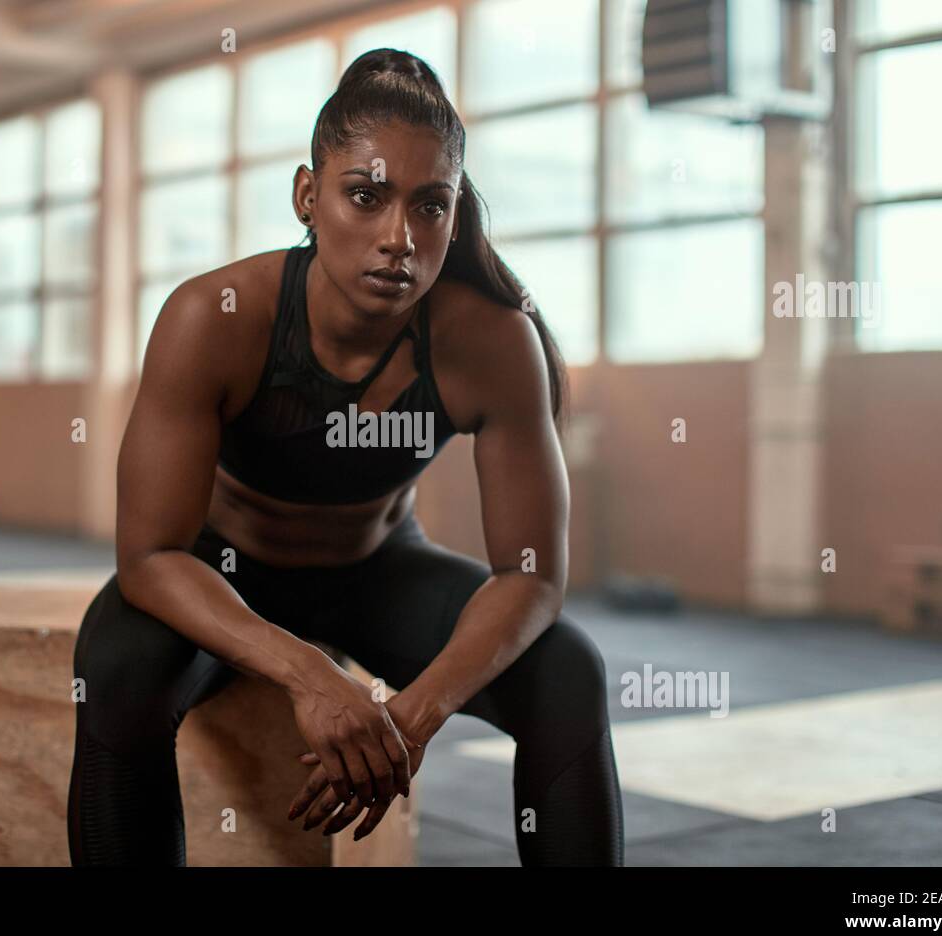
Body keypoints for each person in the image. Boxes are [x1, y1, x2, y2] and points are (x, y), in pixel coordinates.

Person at [67, 48, 625, 866]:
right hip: (222, 570)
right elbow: (148, 556)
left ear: (455, 212)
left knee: (568, 671)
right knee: (115, 665)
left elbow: (532, 575)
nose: (399, 238)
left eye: (430, 206)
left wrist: (410, 719)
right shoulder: (212, 317)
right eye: (366, 196)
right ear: (308, 195)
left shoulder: (495, 342)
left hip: (376, 573)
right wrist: (311, 678)